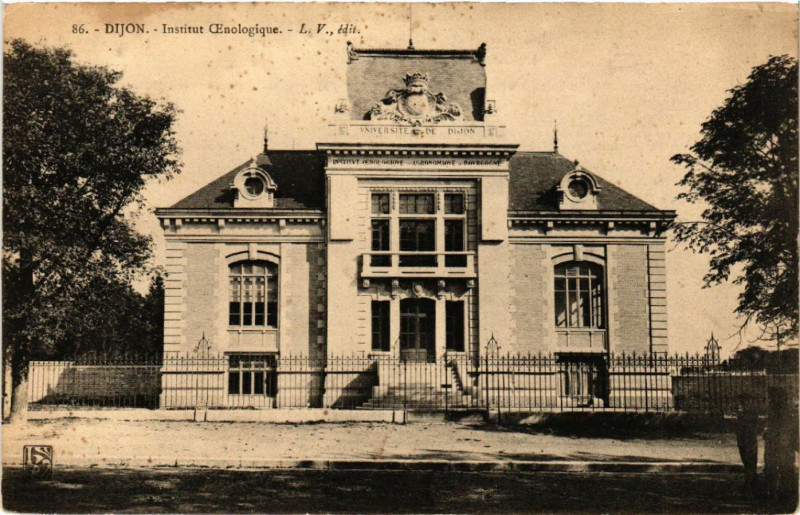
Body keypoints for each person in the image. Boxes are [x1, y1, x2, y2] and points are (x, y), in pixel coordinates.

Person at [736, 393, 763, 496]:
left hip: (749, 440)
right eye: (743, 402)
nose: (743, 404)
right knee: (746, 462)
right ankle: (751, 483)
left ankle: (750, 485)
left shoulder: (751, 414)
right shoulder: (742, 413)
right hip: (742, 440)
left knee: (750, 462)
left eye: (745, 402)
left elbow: (752, 427)